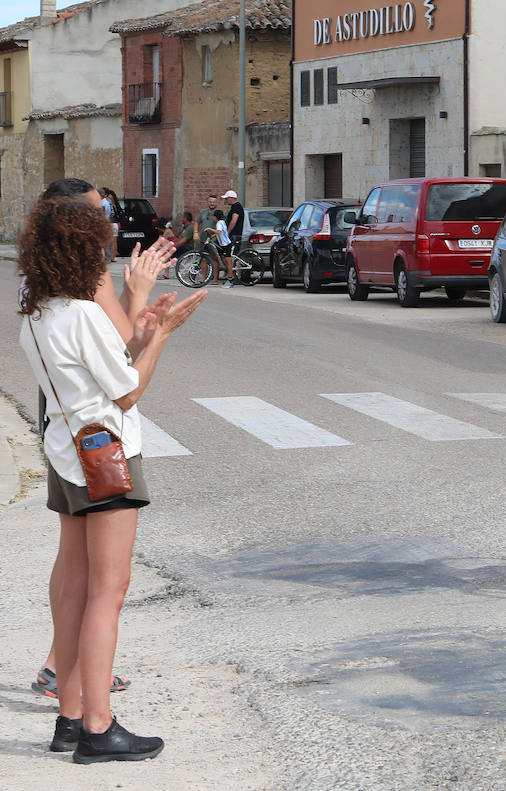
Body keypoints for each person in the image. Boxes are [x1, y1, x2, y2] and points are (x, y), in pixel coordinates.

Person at [18, 195, 205, 762]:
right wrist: (165, 332)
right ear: (82, 251)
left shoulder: (39, 313)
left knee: (77, 590)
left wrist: (141, 330)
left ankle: (69, 719)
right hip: (106, 461)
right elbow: (126, 390)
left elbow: (107, 366)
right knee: (108, 592)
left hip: (66, 456)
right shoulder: (80, 314)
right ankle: (99, 728)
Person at [28, 178, 163, 704]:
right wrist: (146, 302)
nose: (106, 222)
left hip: (60, 420)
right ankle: (92, 710)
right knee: (106, 585)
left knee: (73, 564)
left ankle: (64, 684)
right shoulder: (83, 287)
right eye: (97, 214)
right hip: (99, 437)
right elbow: (122, 364)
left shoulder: (37, 294)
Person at [210, 209, 234, 287]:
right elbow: (222, 232)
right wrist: (213, 236)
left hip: (226, 245)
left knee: (228, 262)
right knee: (223, 260)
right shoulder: (222, 222)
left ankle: (231, 279)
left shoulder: (219, 223)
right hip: (223, 245)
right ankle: (229, 276)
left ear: (215, 217)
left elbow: (219, 232)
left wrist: (209, 229)